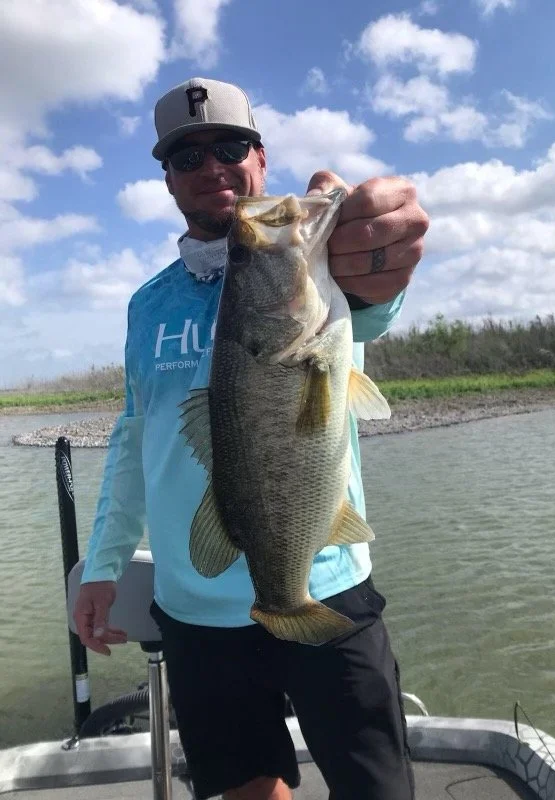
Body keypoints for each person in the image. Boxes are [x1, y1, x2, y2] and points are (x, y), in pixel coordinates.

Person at [73, 77, 429, 800]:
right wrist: (102, 565)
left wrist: (378, 258)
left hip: (326, 585)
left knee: (377, 789)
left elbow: (371, 294)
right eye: (187, 157)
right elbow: (134, 441)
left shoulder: (321, 270)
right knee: (246, 791)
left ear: (261, 159)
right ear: (167, 179)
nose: (212, 166)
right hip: (195, 608)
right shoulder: (147, 305)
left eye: (231, 147)